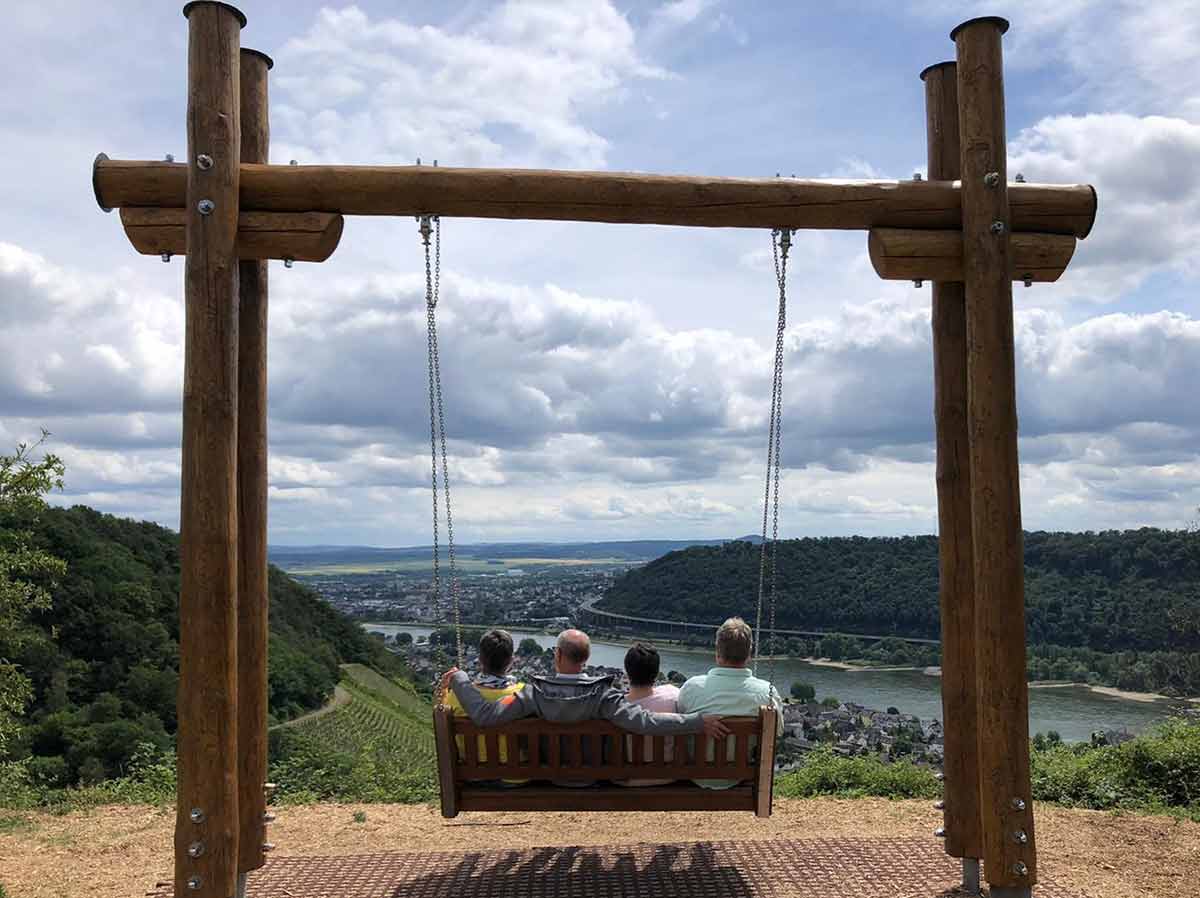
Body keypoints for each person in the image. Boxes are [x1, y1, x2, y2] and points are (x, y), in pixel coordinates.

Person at [441, 628, 728, 785]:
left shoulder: (535, 693)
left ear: (557, 655)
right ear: (586, 658)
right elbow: (646, 722)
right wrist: (696, 721)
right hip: (593, 777)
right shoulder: (603, 694)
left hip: (551, 777)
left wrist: (460, 678)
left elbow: (485, 715)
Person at [677, 617, 784, 789]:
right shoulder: (767, 693)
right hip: (741, 777)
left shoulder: (692, 687)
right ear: (749, 654)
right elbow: (776, 732)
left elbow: (678, 724)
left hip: (696, 775)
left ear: (718, 652)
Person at [441, 628, 527, 786]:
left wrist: (444, 688)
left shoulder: (456, 696)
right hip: (515, 776)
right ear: (511, 661)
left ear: (480, 660)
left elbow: (439, 715)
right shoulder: (523, 695)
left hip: (474, 776)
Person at [617, 642, 679, 787]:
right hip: (668, 776)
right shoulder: (673, 695)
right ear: (657, 673)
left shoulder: (616, 706)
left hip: (627, 778)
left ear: (627, 671)